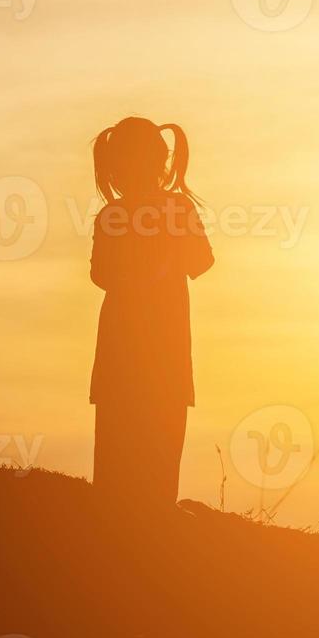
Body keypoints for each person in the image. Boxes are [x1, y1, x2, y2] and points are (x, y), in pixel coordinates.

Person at [88, 117, 214, 512]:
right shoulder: (177, 209)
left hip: (119, 348)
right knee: (162, 432)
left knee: (115, 447)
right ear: (160, 160)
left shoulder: (112, 214)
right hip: (168, 345)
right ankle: (157, 517)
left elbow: (99, 275)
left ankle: (119, 518)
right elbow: (203, 261)